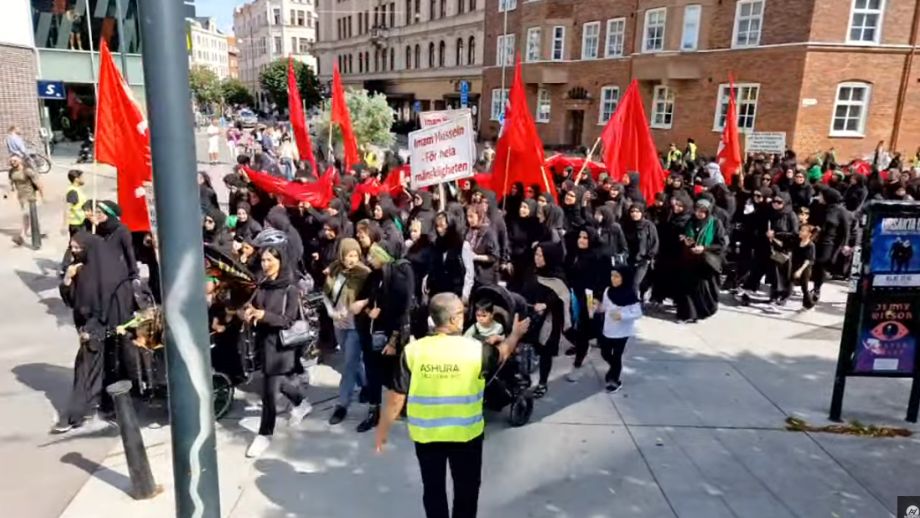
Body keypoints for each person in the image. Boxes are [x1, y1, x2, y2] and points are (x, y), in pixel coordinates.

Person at [375, 292, 530, 518]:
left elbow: (397, 396)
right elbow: (503, 353)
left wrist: (382, 431)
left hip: (427, 436)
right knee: (466, 491)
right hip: (465, 437)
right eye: (462, 312)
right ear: (455, 318)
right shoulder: (476, 349)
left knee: (433, 490)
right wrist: (515, 334)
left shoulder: (413, 350)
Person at [243, 246, 313, 458]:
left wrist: (263, 315)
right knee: (278, 382)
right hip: (263, 342)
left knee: (268, 392)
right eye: (263, 260)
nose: (266, 265)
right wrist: (248, 313)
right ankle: (301, 402)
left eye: (270, 260)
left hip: (281, 346)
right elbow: (251, 306)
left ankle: (264, 434)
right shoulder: (262, 284)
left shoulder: (290, 288)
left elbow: (288, 320)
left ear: (280, 262)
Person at [53, 231, 106, 433]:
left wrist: (91, 329)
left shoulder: (101, 271)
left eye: (78, 248)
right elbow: (71, 301)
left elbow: (103, 302)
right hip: (84, 325)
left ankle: (75, 415)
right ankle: (92, 406)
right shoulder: (76, 269)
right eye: (72, 248)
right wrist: (68, 279)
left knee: (84, 368)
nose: (74, 252)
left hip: (97, 326)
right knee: (92, 368)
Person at [324, 238, 371, 425]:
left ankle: (342, 404)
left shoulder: (364, 273)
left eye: (355, 255)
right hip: (339, 323)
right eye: (348, 255)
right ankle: (365, 385)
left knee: (349, 364)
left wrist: (361, 304)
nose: (351, 259)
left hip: (355, 325)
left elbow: (374, 295)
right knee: (352, 359)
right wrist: (332, 313)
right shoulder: (336, 270)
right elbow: (327, 295)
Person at [675, 199, 727, 323]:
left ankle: (701, 312)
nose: (699, 214)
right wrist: (685, 240)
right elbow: (686, 236)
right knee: (687, 287)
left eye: (703, 211)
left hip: (706, 261)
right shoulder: (690, 222)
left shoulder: (715, 223)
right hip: (690, 259)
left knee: (703, 288)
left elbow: (721, 244)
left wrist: (704, 248)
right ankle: (688, 314)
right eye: (697, 210)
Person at [595, 266, 643, 392]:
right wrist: (597, 307)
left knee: (617, 356)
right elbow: (605, 307)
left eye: (617, 276)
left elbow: (638, 313)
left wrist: (622, 316)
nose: (613, 279)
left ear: (624, 278)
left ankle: (615, 380)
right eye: (612, 276)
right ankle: (614, 368)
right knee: (605, 353)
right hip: (608, 329)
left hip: (622, 332)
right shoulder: (608, 291)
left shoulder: (630, 295)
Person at [7, 154, 44, 246]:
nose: (12, 163)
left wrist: (42, 196)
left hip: (30, 196)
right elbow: (12, 183)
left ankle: (22, 236)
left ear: (20, 160)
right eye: (11, 161)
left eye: (14, 161)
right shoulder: (11, 172)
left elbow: (38, 184)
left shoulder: (27, 171)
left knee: (26, 215)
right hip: (21, 197)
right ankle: (37, 232)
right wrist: (10, 193)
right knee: (30, 216)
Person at [792, 224, 817, 310]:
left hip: (805, 268)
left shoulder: (811, 245)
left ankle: (809, 304)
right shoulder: (798, 242)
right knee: (789, 282)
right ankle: (782, 297)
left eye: (803, 231)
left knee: (804, 287)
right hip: (796, 265)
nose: (800, 232)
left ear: (809, 234)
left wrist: (800, 270)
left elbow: (808, 260)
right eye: (800, 230)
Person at [63, 169, 87, 237]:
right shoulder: (72, 192)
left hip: (81, 221)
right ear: (76, 179)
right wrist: (65, 225)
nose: (84, 179)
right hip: (76, 224)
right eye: (82, 177)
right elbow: (67, 209)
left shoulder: (77, 189)